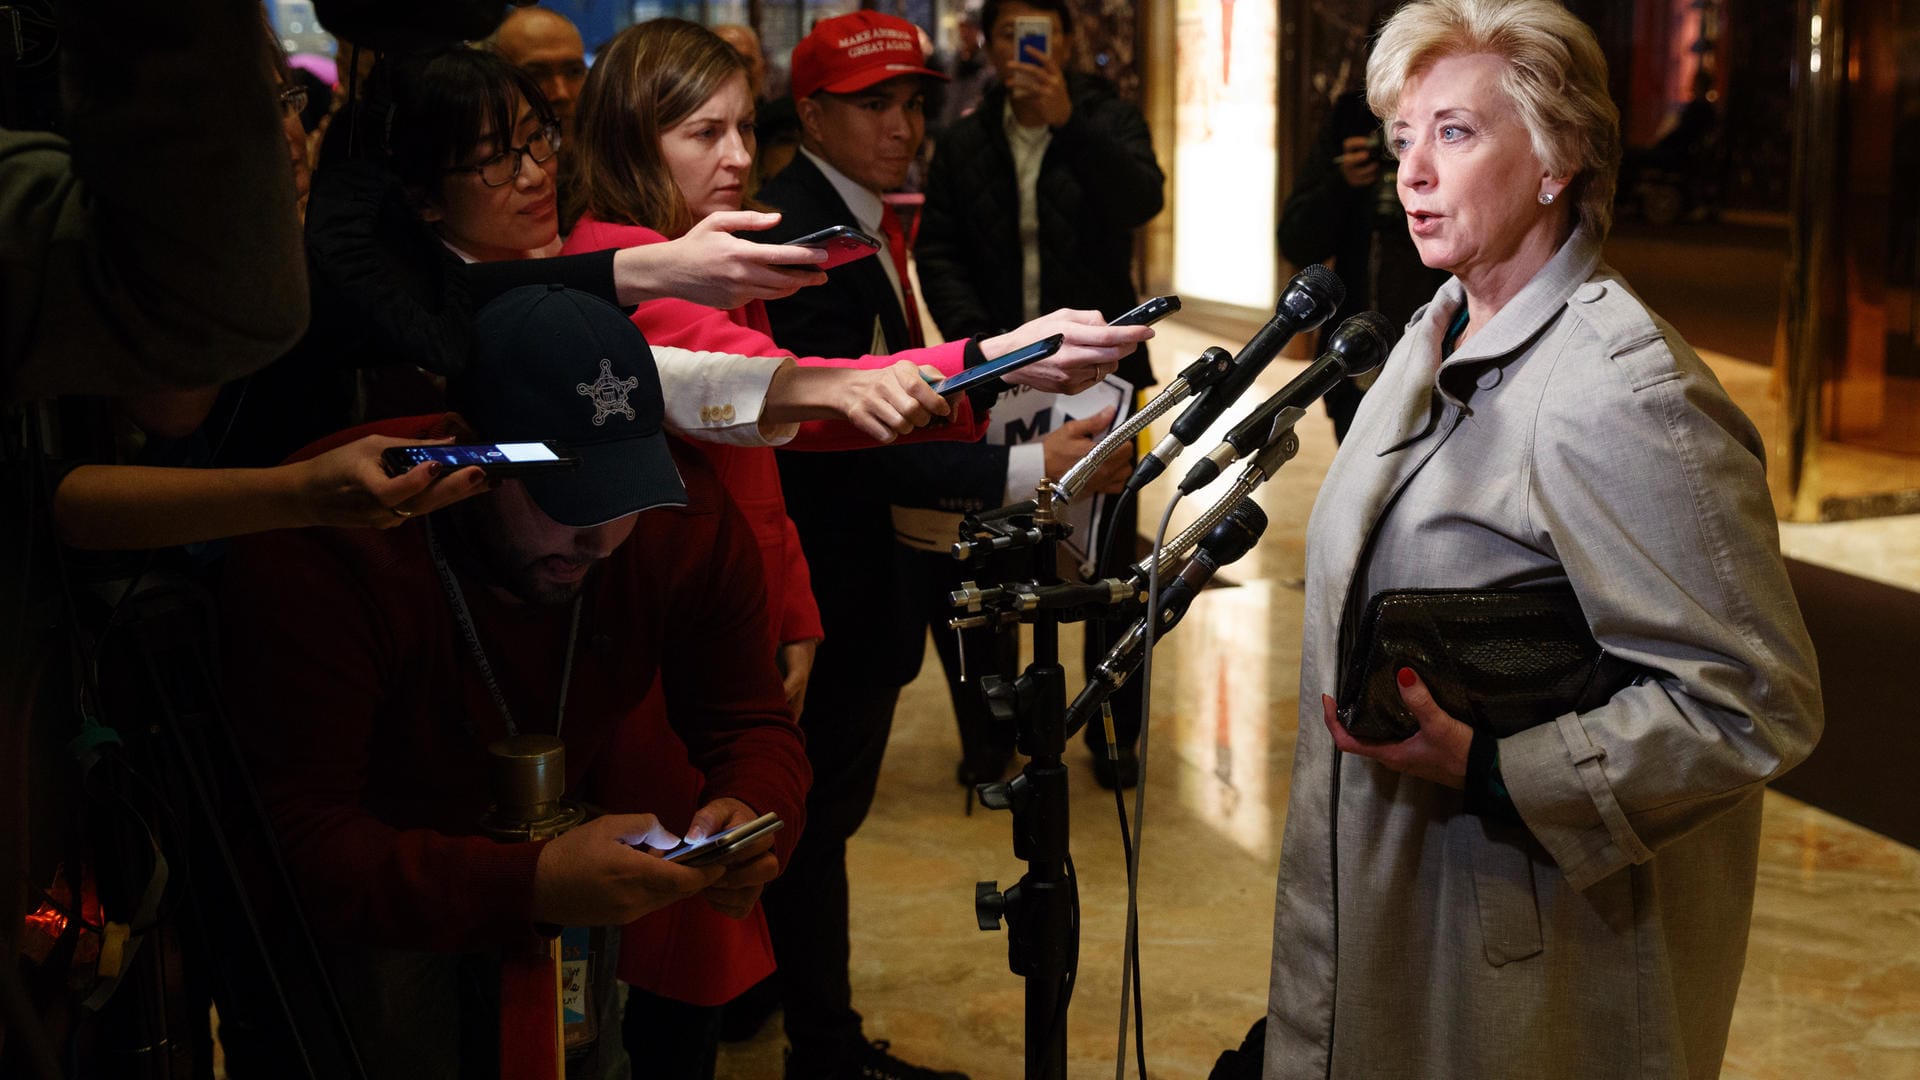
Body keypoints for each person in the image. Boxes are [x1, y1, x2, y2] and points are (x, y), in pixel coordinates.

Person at [560, 20, 1149, 1078]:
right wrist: (991, 360)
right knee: (666, 941)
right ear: (633, 138)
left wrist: (790, 616)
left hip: (736, 628)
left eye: (744, 126)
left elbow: (763, 469)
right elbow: (759, 392)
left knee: (715, 902)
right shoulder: (615, 267)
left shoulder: (715, 251)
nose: (739, 155)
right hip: (657, 648)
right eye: (705, 132)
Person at [1263, 3, 1822, 1077]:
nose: (1414, 172)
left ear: (1560, 157)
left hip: (1523, 958)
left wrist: (1497, 770)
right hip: (1402, 910)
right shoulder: (1433, 333)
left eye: (1456, 133)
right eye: (1402, 140)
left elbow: (1757, 702)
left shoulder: (1620, 395)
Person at [220, 285, 812, 1078]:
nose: (599, 537)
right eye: (568, 499)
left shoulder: (684, 521)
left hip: (553, 911)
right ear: (471, 460)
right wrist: (530, 883)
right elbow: (296, 843)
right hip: (352, 919)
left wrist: (751, 817)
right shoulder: (333, 546)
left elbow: (750, 722)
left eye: (624, 493)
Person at [752, 12, 1125, 1078]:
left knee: (820, 817)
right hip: (825, 578)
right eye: (874, 104)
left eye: (913, 100)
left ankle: (787, 1008)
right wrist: (1030, 469)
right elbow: (850, 442)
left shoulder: (862, 220)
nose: (902, 124)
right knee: (811, 821)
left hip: (867, 570)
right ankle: (816, 1043)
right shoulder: (805, 237)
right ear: (813, 112)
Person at [916, 0, 1167, 786]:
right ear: (986, 46)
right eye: (1006, 33)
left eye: (1039, 32)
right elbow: (940, 251)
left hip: (1106, 376)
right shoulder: (962, 140)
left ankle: (1110, 731)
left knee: (1106, 560)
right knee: (993, 555)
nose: (1022, 47)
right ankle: (994, 737)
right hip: (998, 380)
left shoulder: (1110, 119)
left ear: (1064, 41)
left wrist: (1072, 125)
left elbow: (1141, 204)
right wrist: (984, 353)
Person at [1276, 80, 1449, 443]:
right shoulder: (1352, 116)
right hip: (1360, 355)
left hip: (1445, 349)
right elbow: (1295, 240)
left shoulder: (1456, 106)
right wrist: (1341, 184)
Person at [487, 4, 589, 227]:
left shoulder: (606, 171)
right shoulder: (483, 191)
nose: (561, 93)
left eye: (574, 72)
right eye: (536, 74)